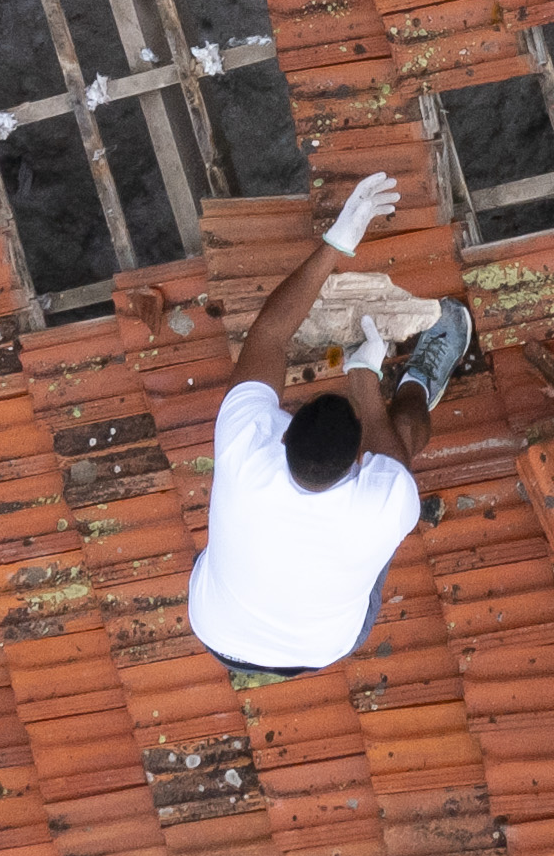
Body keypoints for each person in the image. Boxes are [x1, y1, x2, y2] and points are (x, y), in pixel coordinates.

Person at [184, 170, 476, 679]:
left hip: (221, 626)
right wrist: (363, 379)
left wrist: (335, 243)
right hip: (316, 645)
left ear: (283, 433)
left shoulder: (245, 445)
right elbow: (393, 460)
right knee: (402, 440)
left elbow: (269, 336)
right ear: (358, 461)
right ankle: (420, 381)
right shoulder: (378, 500)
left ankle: (400, 384)